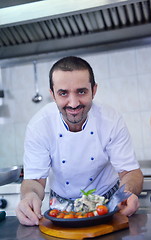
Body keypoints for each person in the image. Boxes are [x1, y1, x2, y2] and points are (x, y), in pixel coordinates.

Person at [16, 56, 143, 226]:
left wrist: (126, 194)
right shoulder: (39, 126)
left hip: (109, 204)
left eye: (81, 91)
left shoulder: (111, 120)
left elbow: (130, 172)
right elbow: (34, 180)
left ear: (94, 90)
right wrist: (29, 196)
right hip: (61, 208)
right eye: (63, 93)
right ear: (52, 95)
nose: (74, 103)